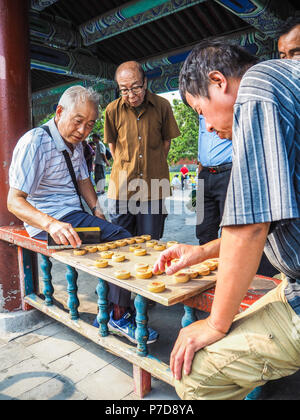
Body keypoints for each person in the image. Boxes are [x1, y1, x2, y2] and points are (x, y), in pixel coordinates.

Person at [153, 40, 300, 400]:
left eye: (200, 111)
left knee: (196, 376)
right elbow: (271, 219)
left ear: (219, 81)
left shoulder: (257, 87)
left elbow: (251, 226)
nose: (205, 124)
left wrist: (216, 324)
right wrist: (203, 253)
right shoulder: (285, 83)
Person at [7, 85, 158, 344]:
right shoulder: (35, 142)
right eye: (78, 122)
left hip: (71, 215)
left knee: (116, 234)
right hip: (48, 223)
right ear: (59, 112)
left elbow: (83, 179)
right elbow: (14, 201)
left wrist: (97, 210)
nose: (83, 130)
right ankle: (118, 315)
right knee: (120, 240)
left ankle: (115, 305)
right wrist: (51, 224)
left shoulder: (77, 144)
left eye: (89, 125)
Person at [104, 61, 180, 240]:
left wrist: (152, 163)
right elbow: (112, 144)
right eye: (124, 90)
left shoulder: (162, 106)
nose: (130, 95)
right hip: (121, 188)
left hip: (153, 187)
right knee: (120, 242)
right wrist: (124, 167)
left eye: (136, 88)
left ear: (145, 82)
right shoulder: (112, 110)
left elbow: (166, 141)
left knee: (150, 242)